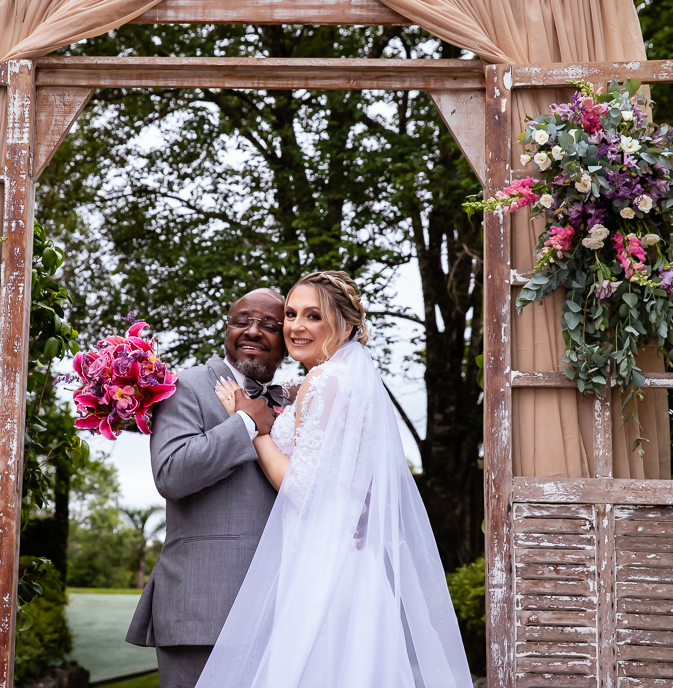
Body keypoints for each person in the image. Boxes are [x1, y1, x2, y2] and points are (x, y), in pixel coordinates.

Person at [199, 271, 470, 688]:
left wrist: (254, 427)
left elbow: (301, 488)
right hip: (352, 559)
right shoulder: (346, 380)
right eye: (291, 314)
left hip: (321, 561)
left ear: (344, 326)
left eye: (313, 316)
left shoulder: (325, 381)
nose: (295, 326)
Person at [126, 288, 293, 688]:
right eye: (242, 321)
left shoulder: (294, 400)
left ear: (287, 338)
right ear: (226, 329)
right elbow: (171, 473)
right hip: (203, 611)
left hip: (283, 612)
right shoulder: (185, 386)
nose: (253, 331)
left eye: (269, 325)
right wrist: (245, 424)